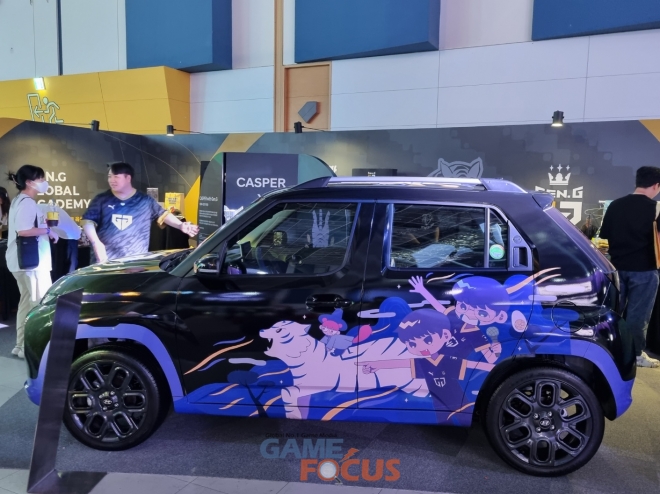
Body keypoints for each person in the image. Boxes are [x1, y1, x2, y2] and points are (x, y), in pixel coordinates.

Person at [600, 166, 660, 368]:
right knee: (638, 315)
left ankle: (608, 349)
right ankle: (635, 354)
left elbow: (605, 235)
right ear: (656, 185)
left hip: (616, 268)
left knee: (612, 312)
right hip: (645, 269)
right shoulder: (656, 209)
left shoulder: (615, 205)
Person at [81, 162, 199, 262]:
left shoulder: (145, 200)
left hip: (135, 262)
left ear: (128, 178)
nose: (112, 180)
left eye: (116, 177)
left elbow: (163, 214)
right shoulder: (101, 199)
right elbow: (88, 221)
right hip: (105, 262)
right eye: (109, 176)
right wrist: (96, 243)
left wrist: (180, 225)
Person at [5, 165, 58, 359]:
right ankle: (33, 349)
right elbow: (24, 230)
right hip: (32, 263)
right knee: (39, 305)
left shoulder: (19, 200)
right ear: (29, 182)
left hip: (22, 263)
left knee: (26, 303)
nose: (44, 182)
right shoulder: (27, 203)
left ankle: (21, 345)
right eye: (41, 179)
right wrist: (48, 231)